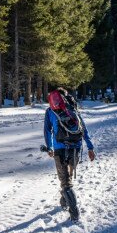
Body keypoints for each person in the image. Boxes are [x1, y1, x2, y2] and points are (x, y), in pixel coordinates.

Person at [43, 88, 95, 221]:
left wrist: (49, 147)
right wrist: (90, 147)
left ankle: (74, 213)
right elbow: (83, 128)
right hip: (75, 148)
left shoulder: (50, 111)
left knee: (66, 182)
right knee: (68, 177)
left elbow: (47, 131)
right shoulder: (73, 108)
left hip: (59, 149)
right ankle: (64, 199)